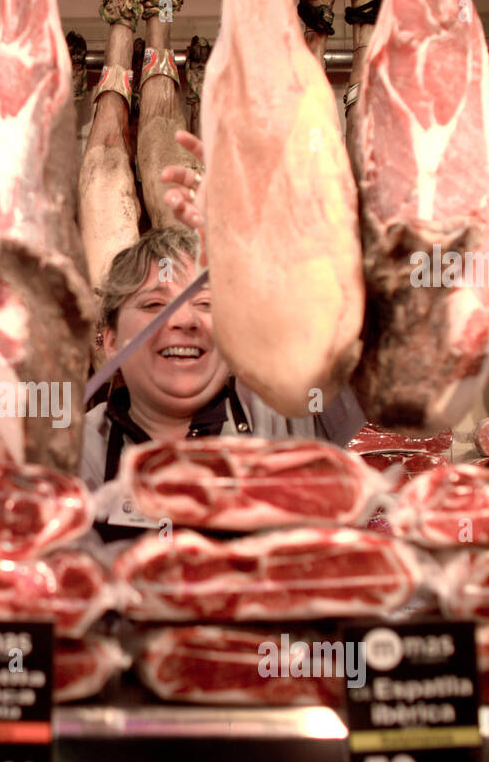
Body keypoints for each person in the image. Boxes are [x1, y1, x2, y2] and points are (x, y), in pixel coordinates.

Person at [81, 131, 366, 522]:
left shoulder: (290, 414)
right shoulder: (75, 450)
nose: (183, 320)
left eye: (206, 304)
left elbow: (377, 323)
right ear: (111, 340)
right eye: (154, 305)